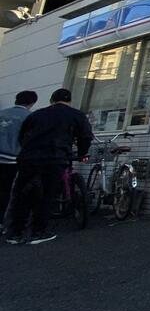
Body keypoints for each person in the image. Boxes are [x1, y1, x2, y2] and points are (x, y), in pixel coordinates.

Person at [5, 88, 92, 246]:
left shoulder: (37, 114)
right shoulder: (76, 115)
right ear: (70, 100)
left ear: (51, 100)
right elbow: (85, 136)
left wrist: (26, 150)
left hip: (29, 158)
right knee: (47, 195)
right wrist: (81, 153)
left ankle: (15, 233)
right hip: (55, 158)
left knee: (22, 195)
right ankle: (39, 232)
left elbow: (23, 135)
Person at [0, 90, 38, 233]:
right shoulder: (30, 117)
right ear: (32, 103)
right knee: (7, 191)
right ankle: (3, 222)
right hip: (12, 159)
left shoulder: (2, 113)